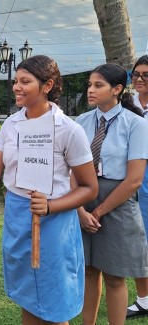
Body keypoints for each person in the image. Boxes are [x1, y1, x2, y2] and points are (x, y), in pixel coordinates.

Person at [0, 55, 98, 324]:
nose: (16, 87)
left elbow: (89, 188)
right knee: (27, 297)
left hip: (54, 222)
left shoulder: (69, 130)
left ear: (47, 86)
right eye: (15, 81)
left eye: (25, 81)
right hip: (17, 216)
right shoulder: (11, 124)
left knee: (54, 302)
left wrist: (51, 206)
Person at [75, 63, 148, 325]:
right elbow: (70, 170)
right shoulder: (81, 122)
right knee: (89, 271)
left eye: (98, 85)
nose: (90, 90)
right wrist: (81, 211)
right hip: (83, 197)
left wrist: (97, 211)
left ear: (117, 89)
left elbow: (134, 180)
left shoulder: (136, 124)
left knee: (116, 276)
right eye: (90, 84)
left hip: (117, 201)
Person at [127, 54, 148, 319]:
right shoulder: (128, 105)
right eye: (136, 75)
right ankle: (144, 298)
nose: (140, 79)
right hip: (132, 179)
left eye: (146, 75)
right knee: (138, 240)